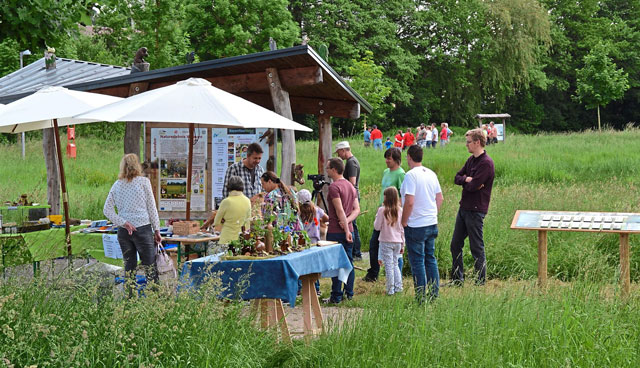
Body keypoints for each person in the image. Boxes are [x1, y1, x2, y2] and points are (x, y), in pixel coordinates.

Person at [104, 153, 161, 292]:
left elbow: (107, 210)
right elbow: (151, 207)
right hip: (143, 228)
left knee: (129, 267)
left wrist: (123, 222)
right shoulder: (144, 182)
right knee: (150, 267)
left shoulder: (117, 185)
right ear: (137, 166)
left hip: (124, 231)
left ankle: (129, 299)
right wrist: (157, 229)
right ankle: (156, 299)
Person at [449, 128, 495, 286]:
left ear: (477, 142)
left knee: (476, 247)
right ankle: (457, 279)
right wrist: (467, 179)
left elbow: (473, 186)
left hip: (476, 210)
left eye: (468, 142)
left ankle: (480, 281)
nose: (466, 145)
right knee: (455, 245)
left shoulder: (486, 164)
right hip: (464, 208)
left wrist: (469, 181)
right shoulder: (471, 160)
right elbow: (457, 177)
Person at [401, 145, 443, 303]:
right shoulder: (431, 173)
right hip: (431, 221)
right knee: (430, 258)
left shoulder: (410, 176)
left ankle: (420, 297)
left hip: (416, 224)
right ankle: (434, 294)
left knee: (417, 261)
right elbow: (440, 198)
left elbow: (409, 201)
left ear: (410, 157)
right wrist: (433, 214)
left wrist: (404, 220)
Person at [363, 147, 405, 282]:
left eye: (389, 159)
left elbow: (402, 194)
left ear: (396, 160)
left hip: (393, 212)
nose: (386, 161)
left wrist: (396, 210)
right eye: (386, 158)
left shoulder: (400, 174)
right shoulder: (386, 172)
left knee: (393, 244)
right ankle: (374, 271)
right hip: (383, 210)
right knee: (374, 243)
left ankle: (396, 274)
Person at [325, 158, 360, 304]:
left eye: (327, 168)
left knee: (336, 263)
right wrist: (348, 222)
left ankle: (336, 295)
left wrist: (344, 226)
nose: (326, 170)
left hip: (336, 230)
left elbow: (339, 210)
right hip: (349, 229)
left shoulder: (334, 187)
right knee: (348, 262)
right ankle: (349, 292)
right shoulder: (351, 186)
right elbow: (356, 209)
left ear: (334, 169)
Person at [335, 141, 362, 261]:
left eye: (339, 152)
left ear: (344, 150)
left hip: (351, 197)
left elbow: (352, 183)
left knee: (352, 225)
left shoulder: (351, 163)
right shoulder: (351, 161)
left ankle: (356, 253)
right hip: (352, 196)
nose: (338, 155)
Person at [374, 187, 404, 295]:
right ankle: (398, 287)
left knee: (388, 266)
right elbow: (402, 228)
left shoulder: (382, 210)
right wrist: (403, 244)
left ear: (387, 197)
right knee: (395, 264)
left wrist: (377, 217)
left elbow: (377, 227)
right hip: (398, 241)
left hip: (386, 241)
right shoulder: (400, 210)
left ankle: (390, 289)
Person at [214, 176, 251, 244]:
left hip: (226, 239)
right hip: (241, 239)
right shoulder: (247, 201)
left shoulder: (226, 201)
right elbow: (248, 222)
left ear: (228, 187)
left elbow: (216, 222)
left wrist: (223, 221)